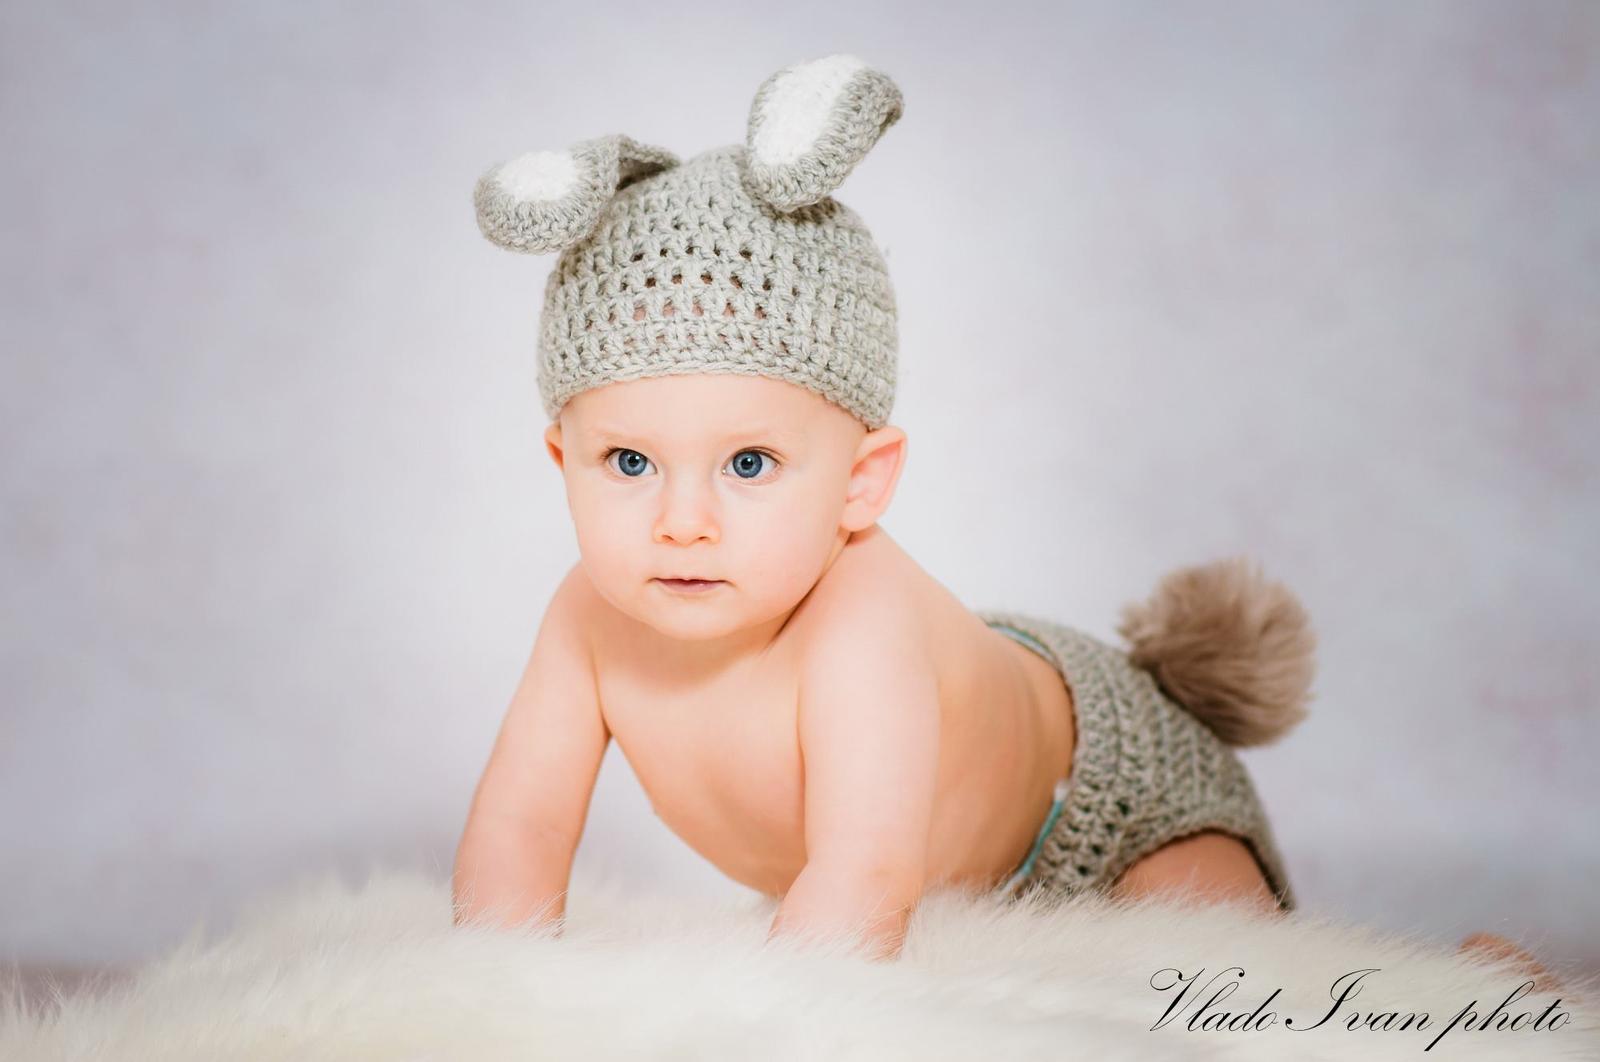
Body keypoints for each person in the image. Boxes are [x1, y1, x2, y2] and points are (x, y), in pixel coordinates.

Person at [446, 53, 1494, 967]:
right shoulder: (586, 618)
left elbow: (862, 881)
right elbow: (524, 826)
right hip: (947, 864)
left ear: (862, 483)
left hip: (1104, 799)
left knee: (1239, 983)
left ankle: (1476, 985)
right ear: (562, 460)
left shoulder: (859, 623)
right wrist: (493, 993)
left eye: (749, 464)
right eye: (629, 461)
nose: (682, 520)